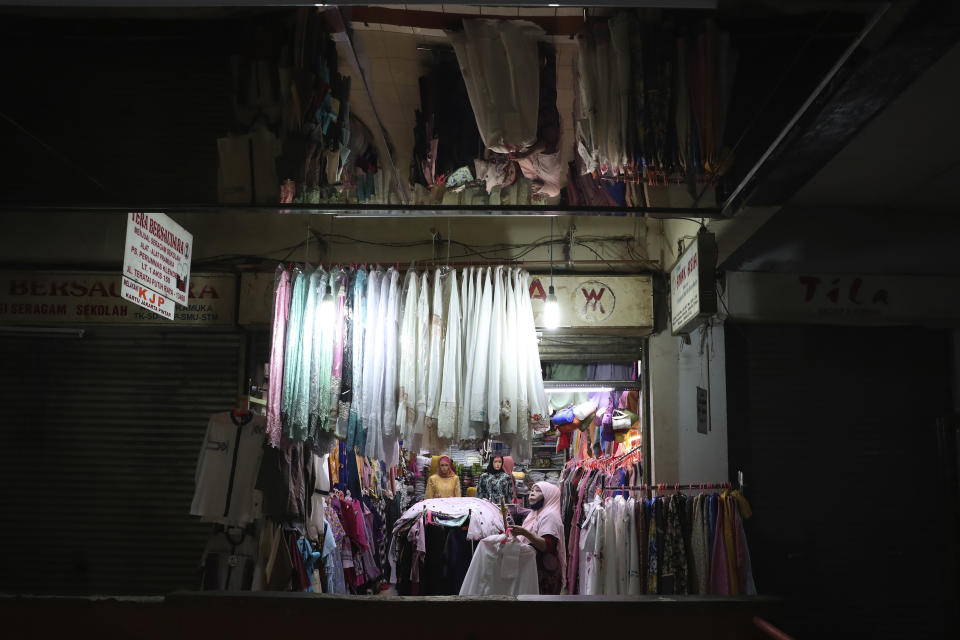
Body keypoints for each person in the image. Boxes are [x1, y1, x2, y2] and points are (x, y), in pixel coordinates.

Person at [509, 481, 566, 594]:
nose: (532, 493)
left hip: (546, 574)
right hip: (537, 569)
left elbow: (547, 546)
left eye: (538, 491)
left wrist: (525, 533)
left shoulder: (550, 517)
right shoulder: (535, 514)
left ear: (549, 496)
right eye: (532, 490)